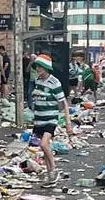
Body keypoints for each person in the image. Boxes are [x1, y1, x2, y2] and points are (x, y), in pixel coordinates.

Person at [30, 54, 73, 186]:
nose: (38, 69)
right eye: (37, 66)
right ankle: (50, 176)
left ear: (46, 68)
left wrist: (68, 123)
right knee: (44, 148)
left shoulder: (54, 83)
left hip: (50, 119)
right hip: (39, 119)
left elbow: (63, 102)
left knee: (44, 144)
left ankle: (54, 169)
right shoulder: (37, 81)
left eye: (40, 67)